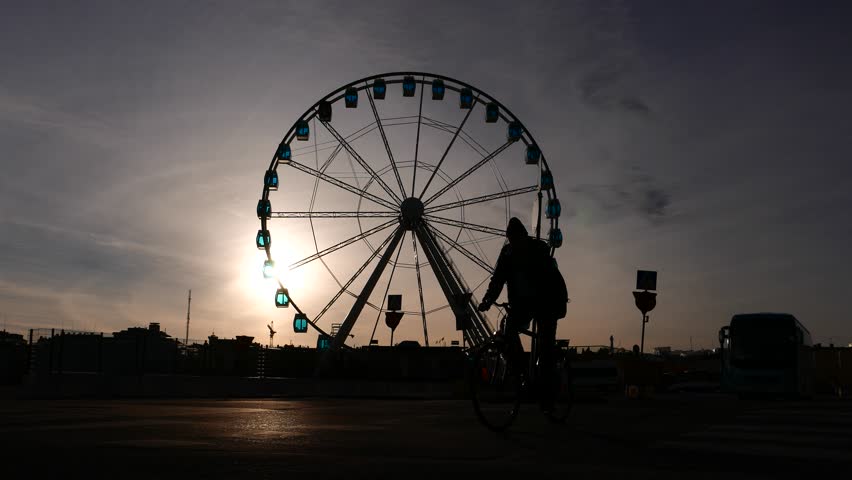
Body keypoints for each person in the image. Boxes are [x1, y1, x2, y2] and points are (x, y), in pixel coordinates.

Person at [477, 217, 568, 416]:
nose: (513, 242)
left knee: (545, 348)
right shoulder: (508, 252)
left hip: (547, 302)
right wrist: (487, 300)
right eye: (511, 238)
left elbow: (548, 278)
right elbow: (498, 279)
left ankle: (547, 399)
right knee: (508, 330)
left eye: (515, 238)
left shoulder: (538, 250)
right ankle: (522, 373)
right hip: (524, 304)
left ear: (523, 236)